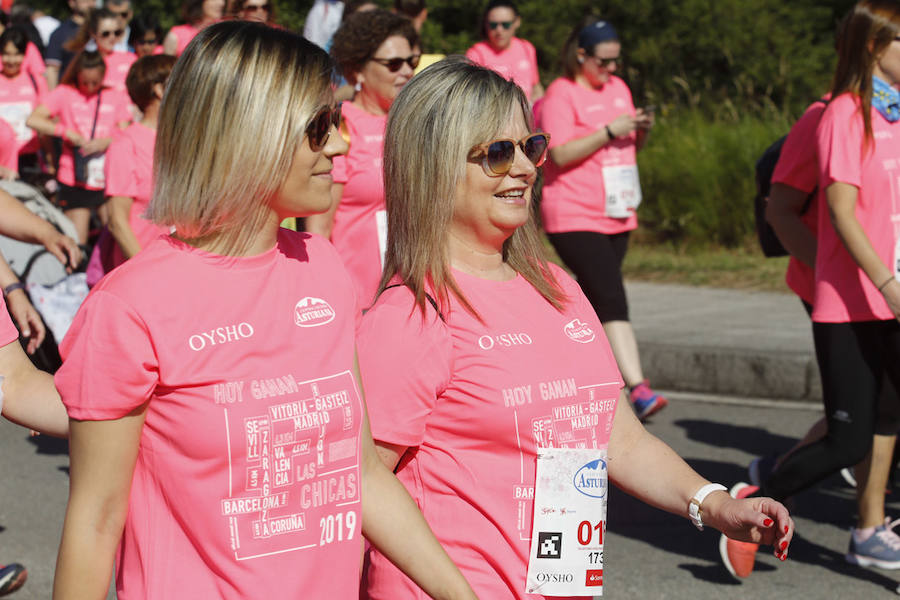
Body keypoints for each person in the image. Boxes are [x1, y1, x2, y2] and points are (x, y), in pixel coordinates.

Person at [51, 21, 478, 600]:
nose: (340, 145)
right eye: (320, 127)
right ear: (250, 134)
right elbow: (95, 524)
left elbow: (360, 475)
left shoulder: (322, 268)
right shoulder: (129, 306)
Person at [356, 57, 793, 600]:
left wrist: (716, 504)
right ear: (434, 166)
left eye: (529, 146)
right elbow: (362, 487)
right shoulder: (411, 314)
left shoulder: (555, 286)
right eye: (497, 153)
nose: (524, 168)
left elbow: (620, 439)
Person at [723, 0, 900, 579]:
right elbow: (841, 213)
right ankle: (754, 496)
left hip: (890, 295)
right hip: (852, 304)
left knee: (890, 417)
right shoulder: (843, 115)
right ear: (875, 49)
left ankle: (868, 532)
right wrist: (882, 281)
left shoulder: (895, 116)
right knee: (848, 439)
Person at [538, 19, 661, 420]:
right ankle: (639, 389)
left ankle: (571, 369)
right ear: (582, 56)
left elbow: (629, 145)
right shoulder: (561, 93)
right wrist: (609, 130)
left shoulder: (619, 89)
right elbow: (559, 155)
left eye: (614, 62)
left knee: (592, 296)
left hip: (616, 208)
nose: (610, 70)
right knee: (611, 295)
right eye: (603, 62)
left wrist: (640, 130)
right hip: (574, 212)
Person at [306, 9, 418, 307]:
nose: (406, 71)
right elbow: (318, 231)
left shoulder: (415, 124)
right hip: (360, 302)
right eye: (393, 64)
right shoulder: (341, 126)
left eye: (411, 61)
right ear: (357, 71)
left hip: (415, 294)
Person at [26, 50, 132, 243]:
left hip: (106, 177)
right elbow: (33, 120)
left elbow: (125, 133)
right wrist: (66, 132)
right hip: (74, 177)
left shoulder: (115, 95)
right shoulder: (65, 93)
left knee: (115, 237)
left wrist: (105, 142)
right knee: (77, 242)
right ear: (77, 76)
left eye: (95, 83)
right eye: (85, 83)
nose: (90, 88)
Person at [103, 55, 174, 270]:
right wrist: (145, 270)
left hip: (183, 267)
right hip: (144, 270)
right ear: (159, 90)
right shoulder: (125, 145)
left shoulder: (185, 141)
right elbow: (117, 222)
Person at [465, 0, 542, 102]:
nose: (499, 30)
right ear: (485, 24)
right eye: (493, 25)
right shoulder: (476, 54)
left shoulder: (527, 48)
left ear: (517, 22)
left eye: (505, 25)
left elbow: (536, 87)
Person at [0, 27, 47, 175]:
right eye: (6, 54)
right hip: (3, 161)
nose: (12, 60)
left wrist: (50, 158)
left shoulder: (36, 81)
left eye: (17, 54)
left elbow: (45, 121)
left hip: (29, 157)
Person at [63, 8, 135, 94]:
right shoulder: (84, 61)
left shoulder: (131, 58)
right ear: (93, 33)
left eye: (117, 32)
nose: (112, 38)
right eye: (106, 33)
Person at [44, 0, 95, 89]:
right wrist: (53, 98)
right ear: (72, 3)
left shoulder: (107, 31)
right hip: (70, 92)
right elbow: (52, 70)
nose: (89, 2)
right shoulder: (59, 34)